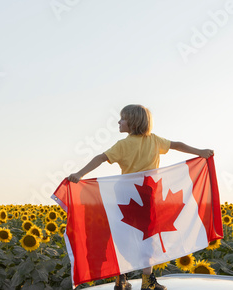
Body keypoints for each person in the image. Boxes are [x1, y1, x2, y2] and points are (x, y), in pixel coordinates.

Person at [67, 104, 214, 290]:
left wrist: (80, 174)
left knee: (123, 237)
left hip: (125, 195)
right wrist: (199, 152)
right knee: (149, 237)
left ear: (134, 122)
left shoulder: (123, 144)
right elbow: (177, 145)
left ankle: (121, 279)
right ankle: (147, 281)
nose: (119, 122)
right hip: (148, 194)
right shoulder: (153, 141)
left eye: (122, 118)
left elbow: (100, 158)